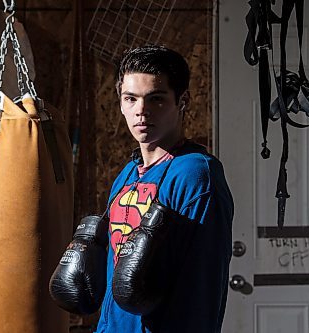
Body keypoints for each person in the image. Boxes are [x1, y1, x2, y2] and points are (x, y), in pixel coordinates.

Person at [94, 45, 234, 333]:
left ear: (183, 101)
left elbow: (202, 285)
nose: (141, 111)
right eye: (130, 99)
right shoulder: (127, 174)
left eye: (156, 99)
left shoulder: (196, 174)